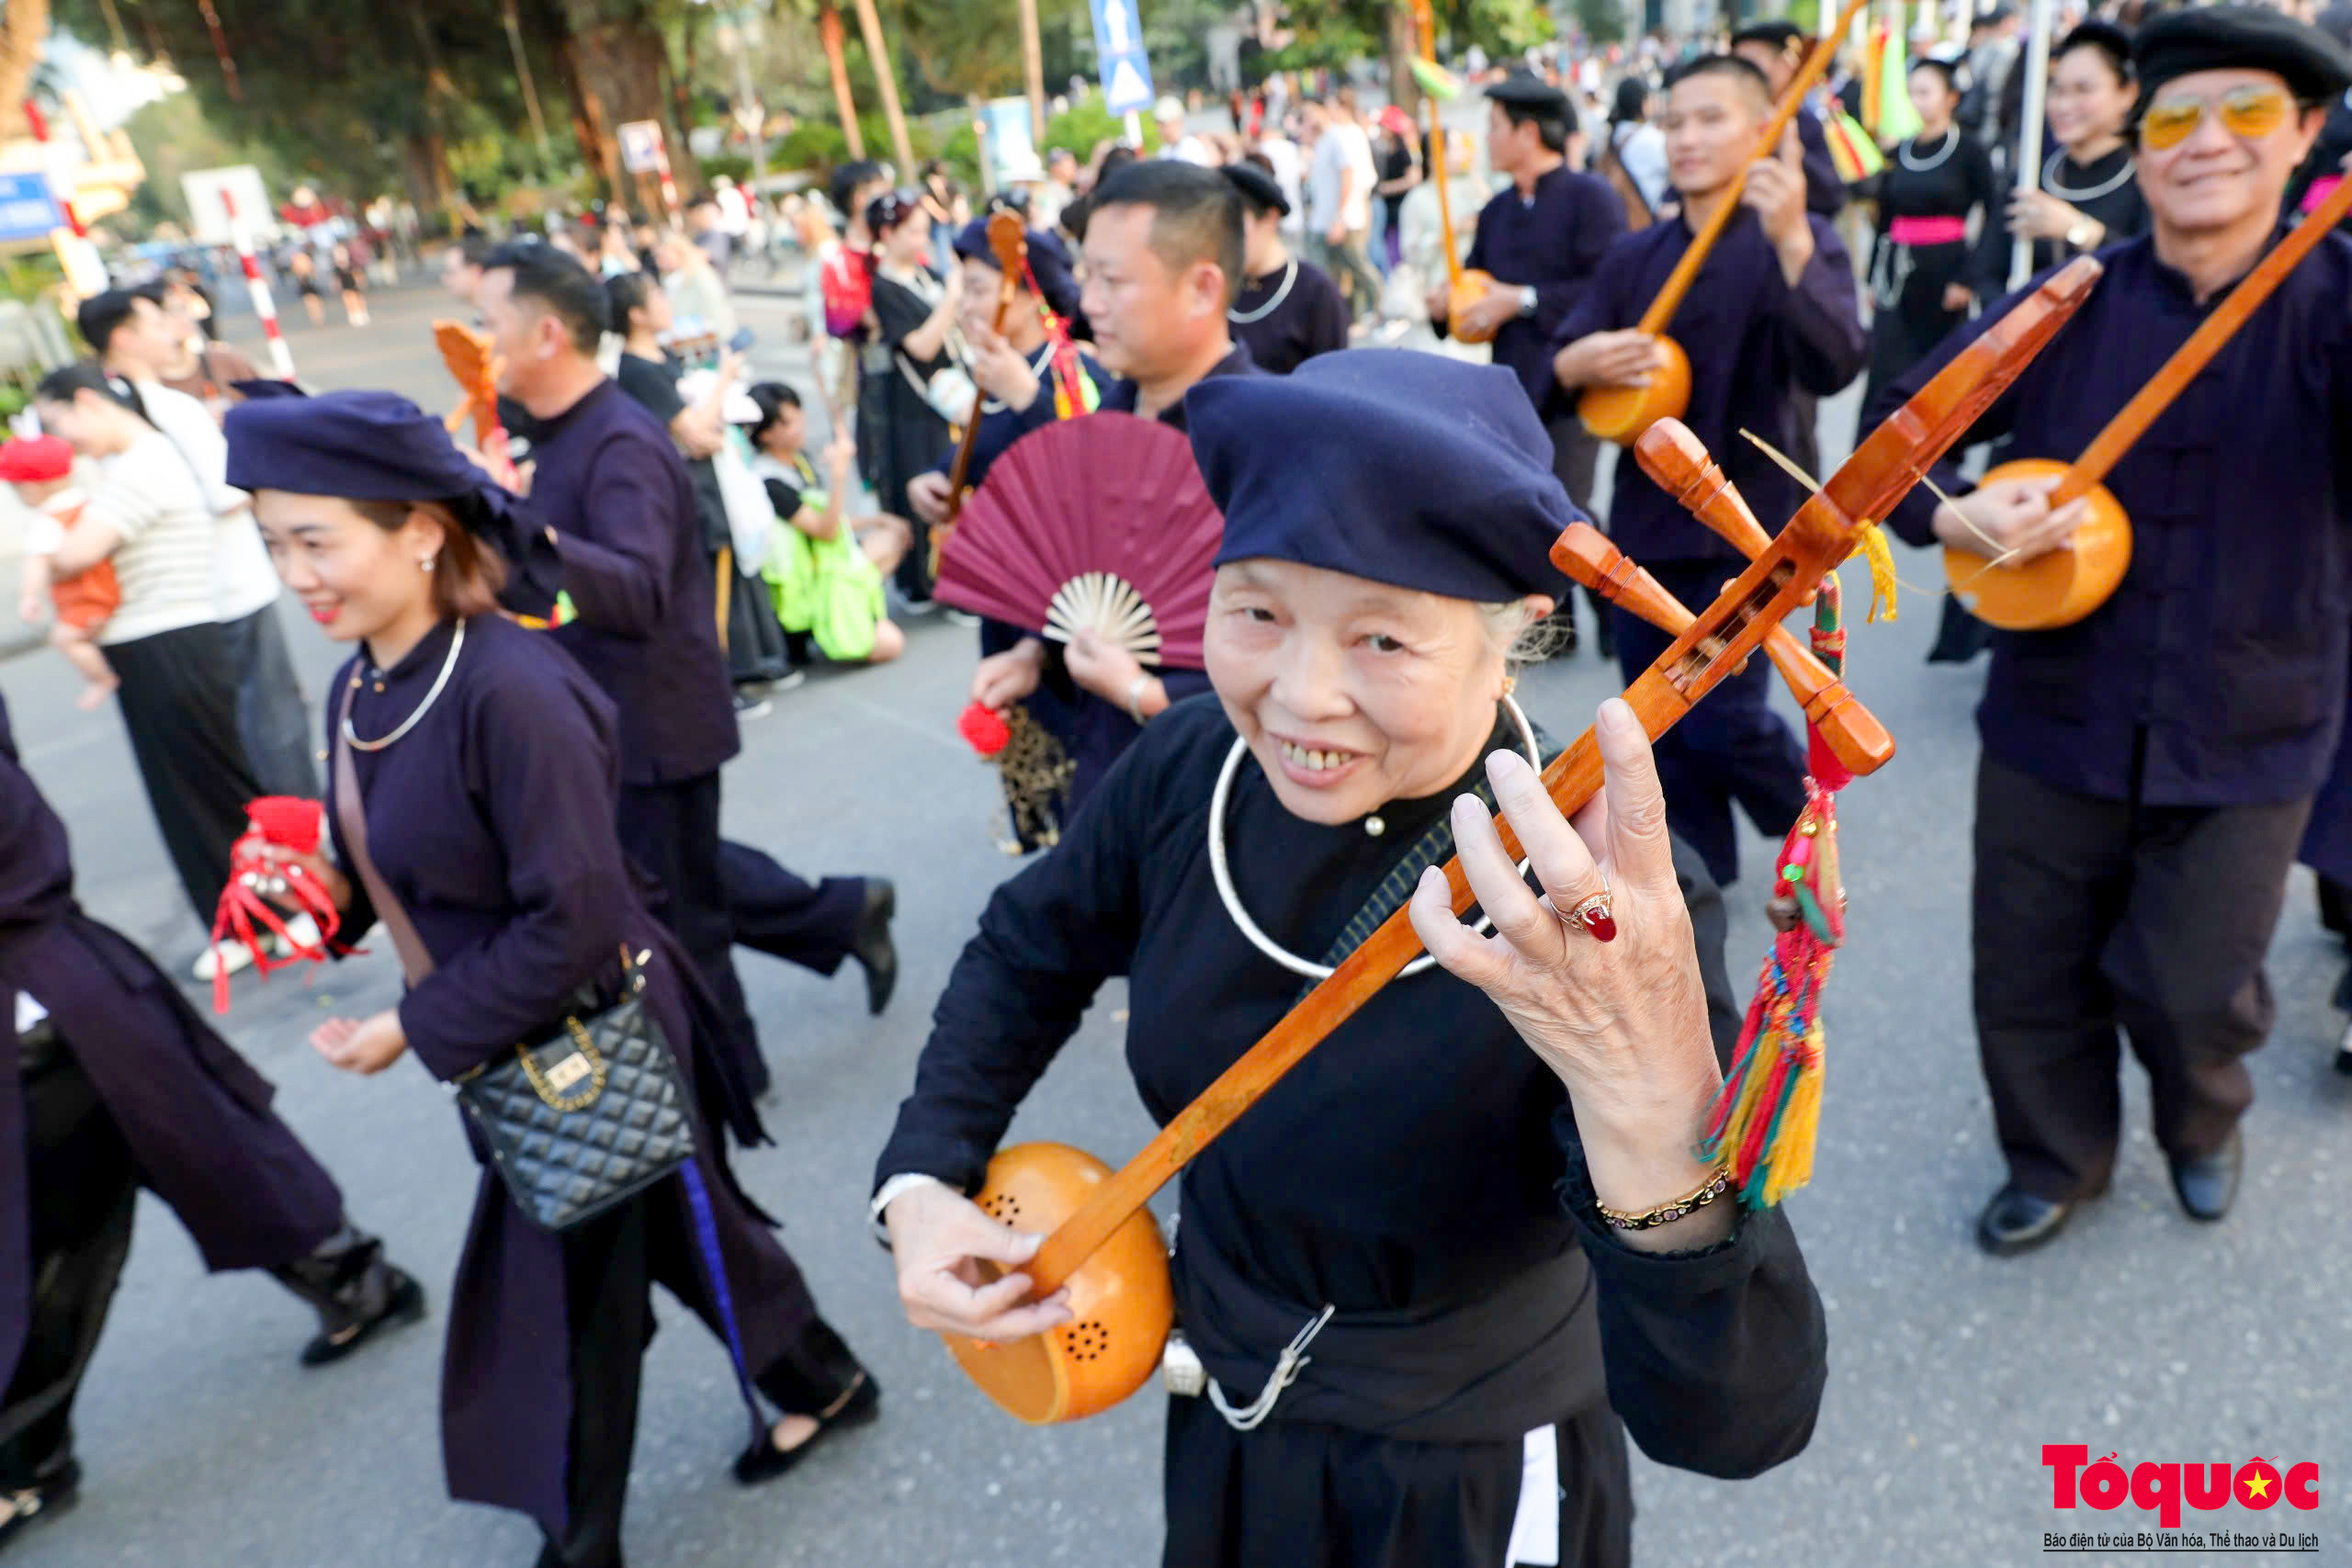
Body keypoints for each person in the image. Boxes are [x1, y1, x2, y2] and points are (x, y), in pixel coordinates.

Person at [875, 352, 1822, 1568]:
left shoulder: (1600, 901)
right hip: (1227, 1403)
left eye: (1383, 636)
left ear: (1515, 637)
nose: (1302, 696)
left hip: (1468, 1465)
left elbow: (1739, 1415)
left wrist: (1649, 1099)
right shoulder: (1189, 768)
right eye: (1257, 610)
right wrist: (920, 1179)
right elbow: (1028, 945)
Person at [221, 389, 881, 1568]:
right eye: (274, 544)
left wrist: (409, 1030)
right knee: (681, 1228)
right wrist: (314, 900)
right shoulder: (363, 679)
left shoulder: (514, 691)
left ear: (421, 530)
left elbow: (572, 924)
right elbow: (397, 866)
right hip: (508, 1037)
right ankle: (820, 1382)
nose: (294, 573)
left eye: (316, 539)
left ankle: (578, 1541)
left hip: (586, 1032)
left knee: (567, 1302)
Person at [1863, 6, 2352, 1256]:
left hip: (2255, 718)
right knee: (2027, 969)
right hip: (2055, 711)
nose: (2206, 142)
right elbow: (1894, 456)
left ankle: (2203, 1119)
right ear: (2138, 152)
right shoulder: (2062, 305)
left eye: (2246, 113)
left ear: (2303, 135)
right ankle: (2055, 1154)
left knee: (2197, 982)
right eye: (2174, 118)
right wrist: (1964, 511)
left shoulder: (2334, 304)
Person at [0, 677, 427, 1554]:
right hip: (64, 986)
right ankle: (355, 1281)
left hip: (42, 1000)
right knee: (199, 1144)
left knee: (60, 1225)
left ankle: (26, 1456)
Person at [1547, 56, 1867, 889]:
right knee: (1658, 741)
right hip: (1647, 533)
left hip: (1750, 533)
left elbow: (1836, 361)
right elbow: (1562, 363)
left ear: (1765, 130)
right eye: (1674, 121)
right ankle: (1698, 893)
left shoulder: (1795, 239)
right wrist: (1585, 355)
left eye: (1710, 119)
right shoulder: (1635, 256)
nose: (1686, 138)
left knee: (1722, 719)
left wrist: (1797, 237)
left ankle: (1814, 813)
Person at [474, 241, 773, 1100]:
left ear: (548, 334)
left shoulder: (620, 440)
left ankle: (725, 1092)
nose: (483, 345)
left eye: (493, 325)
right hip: (607, 724)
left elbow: (636, 589)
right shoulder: (561, 434)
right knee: (661, 911)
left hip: (654, 726)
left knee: (686, 921)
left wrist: (519, 531)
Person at [967, 161, 1255, 823]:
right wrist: (1034, 654)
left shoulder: (1261, 443)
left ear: (1202, 288)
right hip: (1099, 770)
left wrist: (1148, 692)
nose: (1086, 301)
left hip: (1209, 789)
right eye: (1085, 273)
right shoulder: (1109, 419)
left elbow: (1286, 651)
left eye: (1111, 280)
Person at [27, 367, 292, 946]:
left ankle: (263, 922)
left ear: (88, 401)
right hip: (164, 645)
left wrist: (37, 537)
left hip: (167, 645)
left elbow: (75, 555)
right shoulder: (132, 464)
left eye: (59, 423)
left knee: (206, 796)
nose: (65, 442)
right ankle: (260, 921)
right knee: (204, 792)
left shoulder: (142, 465)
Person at [77, 286, 320, 810]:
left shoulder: (106, 408)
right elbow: (226, 494)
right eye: (154, 323)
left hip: (178, 603)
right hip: (229, 587)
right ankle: (306, 838)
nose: (171, 331)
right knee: (273, 724)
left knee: (240, 732)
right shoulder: (161, 408)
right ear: (124, 338)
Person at [1432, 73, 1627, 658]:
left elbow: (1608, 288)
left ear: (1527, 130)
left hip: (1573, 381)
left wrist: (1523, 300)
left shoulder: (1591, 197)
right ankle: (1557, 629)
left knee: (1569, 504)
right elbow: (1474, 290)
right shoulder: (1494, 211)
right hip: (1509, 383)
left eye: (1493, 127)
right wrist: (1448, 305)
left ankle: (1616, 605)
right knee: (1527, 504)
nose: (1486, 139)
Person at [605, 271, 787, 707]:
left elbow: (701, 431)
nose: (666, 303)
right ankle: (724, 681)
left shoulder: (660, 356)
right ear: (636, 314)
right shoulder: (636, 370)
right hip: (688, 487)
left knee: (732, 570)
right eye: (655, 297)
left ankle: (752, 665)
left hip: (708, 477)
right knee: (712, 575)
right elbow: (694, 430)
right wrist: (724, 379)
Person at [1860, 58, 2000, 413]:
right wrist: (1872, 277)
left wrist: (1968, 278)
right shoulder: (1898, 152)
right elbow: (1884, 220)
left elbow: (1994, 212)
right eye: (1911, 93)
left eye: (1925, 92)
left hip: (1944, 275)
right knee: (1885, 369)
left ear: (1951, 97)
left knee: (1936, 373)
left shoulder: (1970, 152)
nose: (1917, 101)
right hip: (1897, 273)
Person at [741, 380, 908, 667]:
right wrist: (839, 474)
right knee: (890, 644)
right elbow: (826, 531)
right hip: (817, 578)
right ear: (766, 433)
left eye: (799, 415)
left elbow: (829, 523)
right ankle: (833, 621)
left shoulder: (797, 460)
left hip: (829, 562)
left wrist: (876, 519)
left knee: (895, 532)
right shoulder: (770, 481)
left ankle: (855, 611)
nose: (802, 425)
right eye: (790, 421)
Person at [1976, 21, 2151, 288]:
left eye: (2084, 89)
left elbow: (2156, 275)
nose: (2064, 105)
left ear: (2128, 93)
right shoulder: (2028, 178)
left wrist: (2080, 230)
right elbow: (1988, 271)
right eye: (2056, 90)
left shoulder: (2151, 180)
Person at [860, 189, 963, 607]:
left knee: (955, 481)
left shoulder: (924, 275)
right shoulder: (883, 287)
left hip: (948, 395)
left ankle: (954, 576)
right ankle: (926, 581)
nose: (923, 239)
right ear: (888, 232)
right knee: (925, 487)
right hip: (913, 405)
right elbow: (919, 345)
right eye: (915, 230)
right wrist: (954, 298)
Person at [6, 434, 117, 708]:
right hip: (109, 590)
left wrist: (28, 598)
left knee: (64, 637)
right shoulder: (89, 504)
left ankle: (100, 679)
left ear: (30, 488)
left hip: (84, 599)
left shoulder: (46, 522)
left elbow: (36, 562)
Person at [1220, 159, 1349, 374]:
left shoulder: (1315, 291)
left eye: (1234, 225)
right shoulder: (1218, 285)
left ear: (1271, 218)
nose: (1225, 238)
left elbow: (1334, 384)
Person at [1729, 18, 1853, 216]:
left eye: (1751, 65)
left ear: (1785, 65)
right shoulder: (1726, 123)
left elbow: (1832, 196)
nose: (1742, 76)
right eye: (1736, 66)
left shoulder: (1804, 123)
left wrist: (1784, 143)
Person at [1302, 93, 1383, 322]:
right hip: (1339, 215)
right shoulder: (1333, 137)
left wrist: (1340, 217)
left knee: (1355, 265)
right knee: (1345, 271)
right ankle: (1353, 317)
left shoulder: (1342, 135)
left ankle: (1380, 308)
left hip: (1346, 215)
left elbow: (1349, 176)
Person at [1600, 76, 1669, 226]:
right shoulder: (1652, 139)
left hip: (1618, 221)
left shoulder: (1612, 134)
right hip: (1645, 223)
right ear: (1643, 104)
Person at [1372, 103, 1424, 270]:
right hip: (1389, 209)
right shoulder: (1385, 150)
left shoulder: (1404, 151)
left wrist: (1387, 188)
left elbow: (1413, 178)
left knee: (1397, 252)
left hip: (1400, 208)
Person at [1156, 96, 1216, 164]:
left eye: (1163, 124)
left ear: (1177, 122)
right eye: (1158, 123)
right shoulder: (1163, 151)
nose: (1159, 128)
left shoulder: (1190, 146)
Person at [331, 242, 369, 326]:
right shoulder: (337, 267)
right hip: (345, 282)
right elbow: (336, 277)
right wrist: (336, 284)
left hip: (352, 281)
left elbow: (357, 272)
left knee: (357, 297)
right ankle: (353, 314)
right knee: (348, 298)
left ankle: (362, 312)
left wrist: (360, 280)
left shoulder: (351, 263)